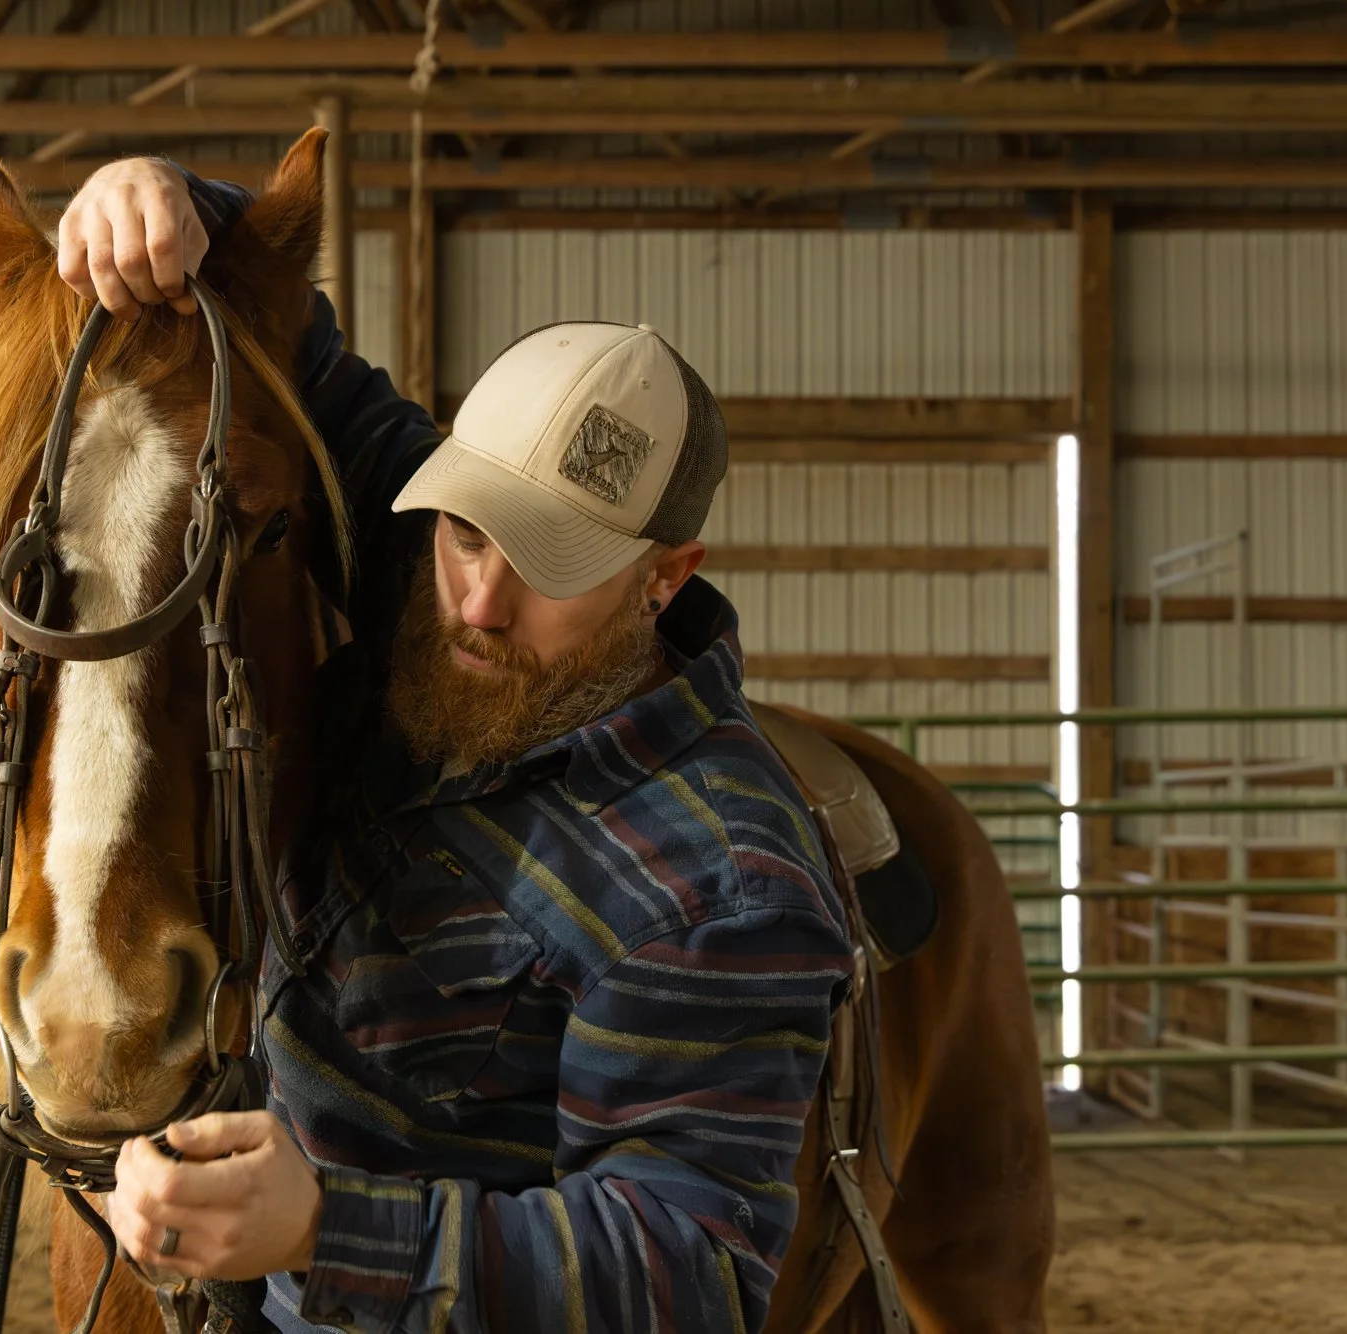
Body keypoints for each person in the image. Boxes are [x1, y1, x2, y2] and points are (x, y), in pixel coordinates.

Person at [57, 157, 855, 1334]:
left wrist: (325, 1228)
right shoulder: (423, 571)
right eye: (468, 531)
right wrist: (157, 196)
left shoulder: (718, 879)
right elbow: (288, 322)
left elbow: (687, 1266)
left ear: (662, 576)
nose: (479, 601)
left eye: (553, 565)